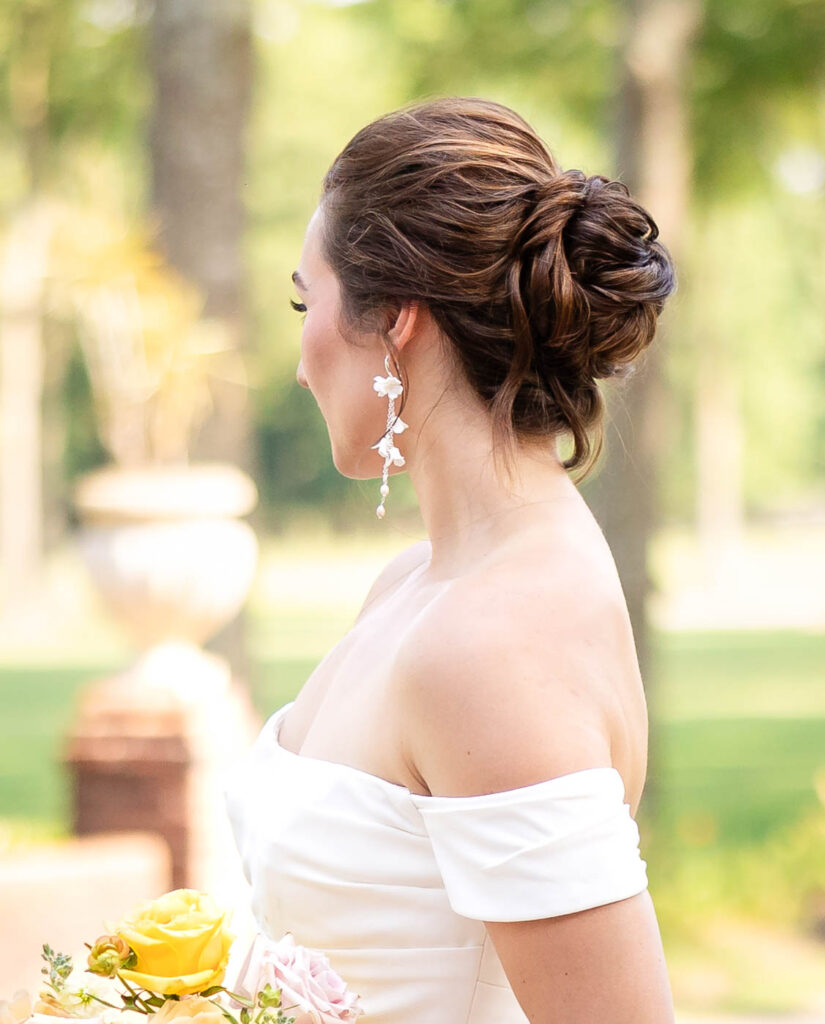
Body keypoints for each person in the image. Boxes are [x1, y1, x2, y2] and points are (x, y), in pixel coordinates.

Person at [225, 96, 676, 1024]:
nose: (300, 362)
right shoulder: (411, 587)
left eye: (308, 304)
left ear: (397, 317)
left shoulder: (496, 643)